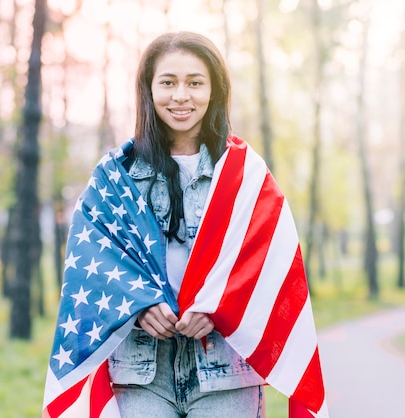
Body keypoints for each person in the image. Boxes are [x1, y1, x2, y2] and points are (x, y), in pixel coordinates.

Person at [43, 31, 327, 418]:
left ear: (214, 90)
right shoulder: (115, 176)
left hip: (225, 370)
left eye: (195, 83)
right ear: (148, 88)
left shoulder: (245, 174)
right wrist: (138, 304)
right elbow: (94, 262)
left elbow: (269, 262)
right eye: (168, 82)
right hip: (141, 372)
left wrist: (217, 306)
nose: (181, 96)